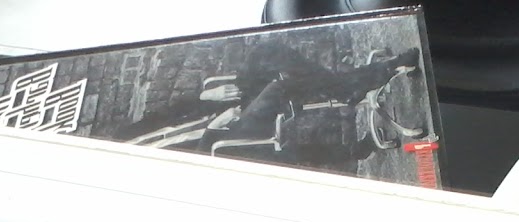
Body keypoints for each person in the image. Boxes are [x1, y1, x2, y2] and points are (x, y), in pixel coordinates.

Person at [116, 41, 423, 165]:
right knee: (280, 88)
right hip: (227, 139)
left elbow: (169, 113)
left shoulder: (118, 139)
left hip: (221, 109)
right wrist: (214, 129)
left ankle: (344, 89)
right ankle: (371, 79)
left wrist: (203, 96)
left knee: (264, 52)